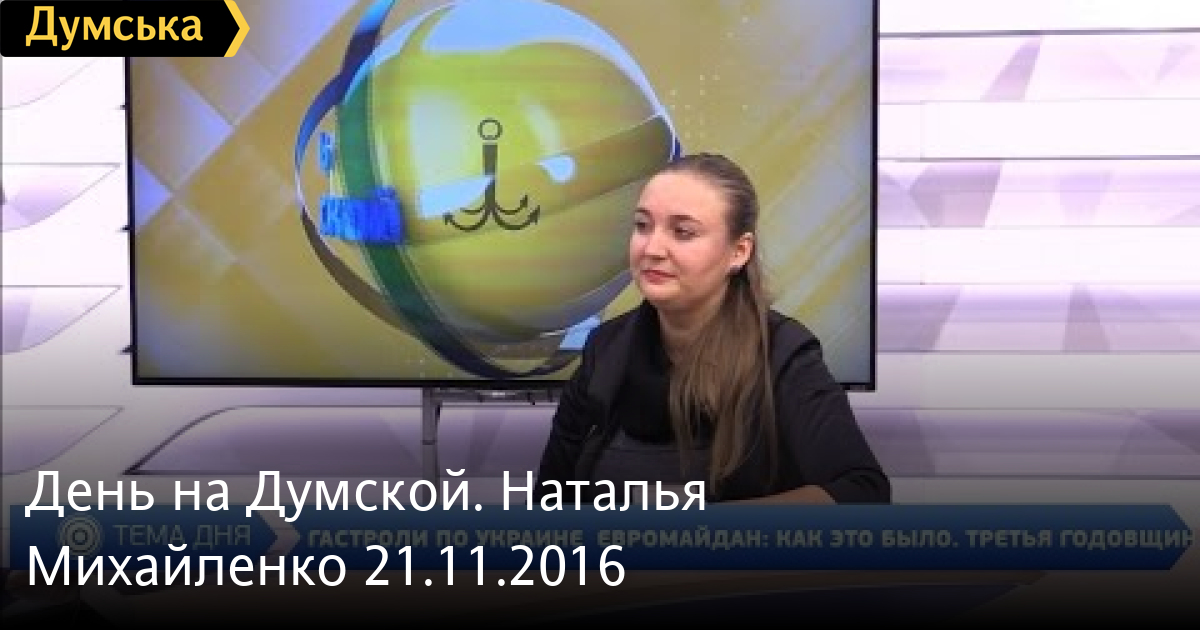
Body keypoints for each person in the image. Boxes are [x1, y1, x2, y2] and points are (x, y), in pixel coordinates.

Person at [535, 153, 889, 504]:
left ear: (739, 252)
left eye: (683, 232)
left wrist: (695, 522)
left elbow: (862, 492)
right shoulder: (605, 349)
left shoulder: (782, 354)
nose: (652, 248)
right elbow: (548, 501)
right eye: (642, 226)